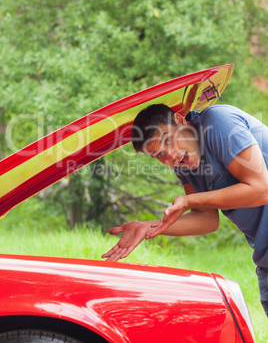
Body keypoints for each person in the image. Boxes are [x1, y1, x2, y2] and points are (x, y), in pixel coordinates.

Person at [102, 103, 268, 316]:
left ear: (181, 120)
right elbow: (207, 219)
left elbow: (262, 189)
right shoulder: (184, 165)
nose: (170, 157)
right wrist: (148, 226)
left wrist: (190, 201)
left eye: (169, 140)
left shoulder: (218, 122)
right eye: (159, 154)